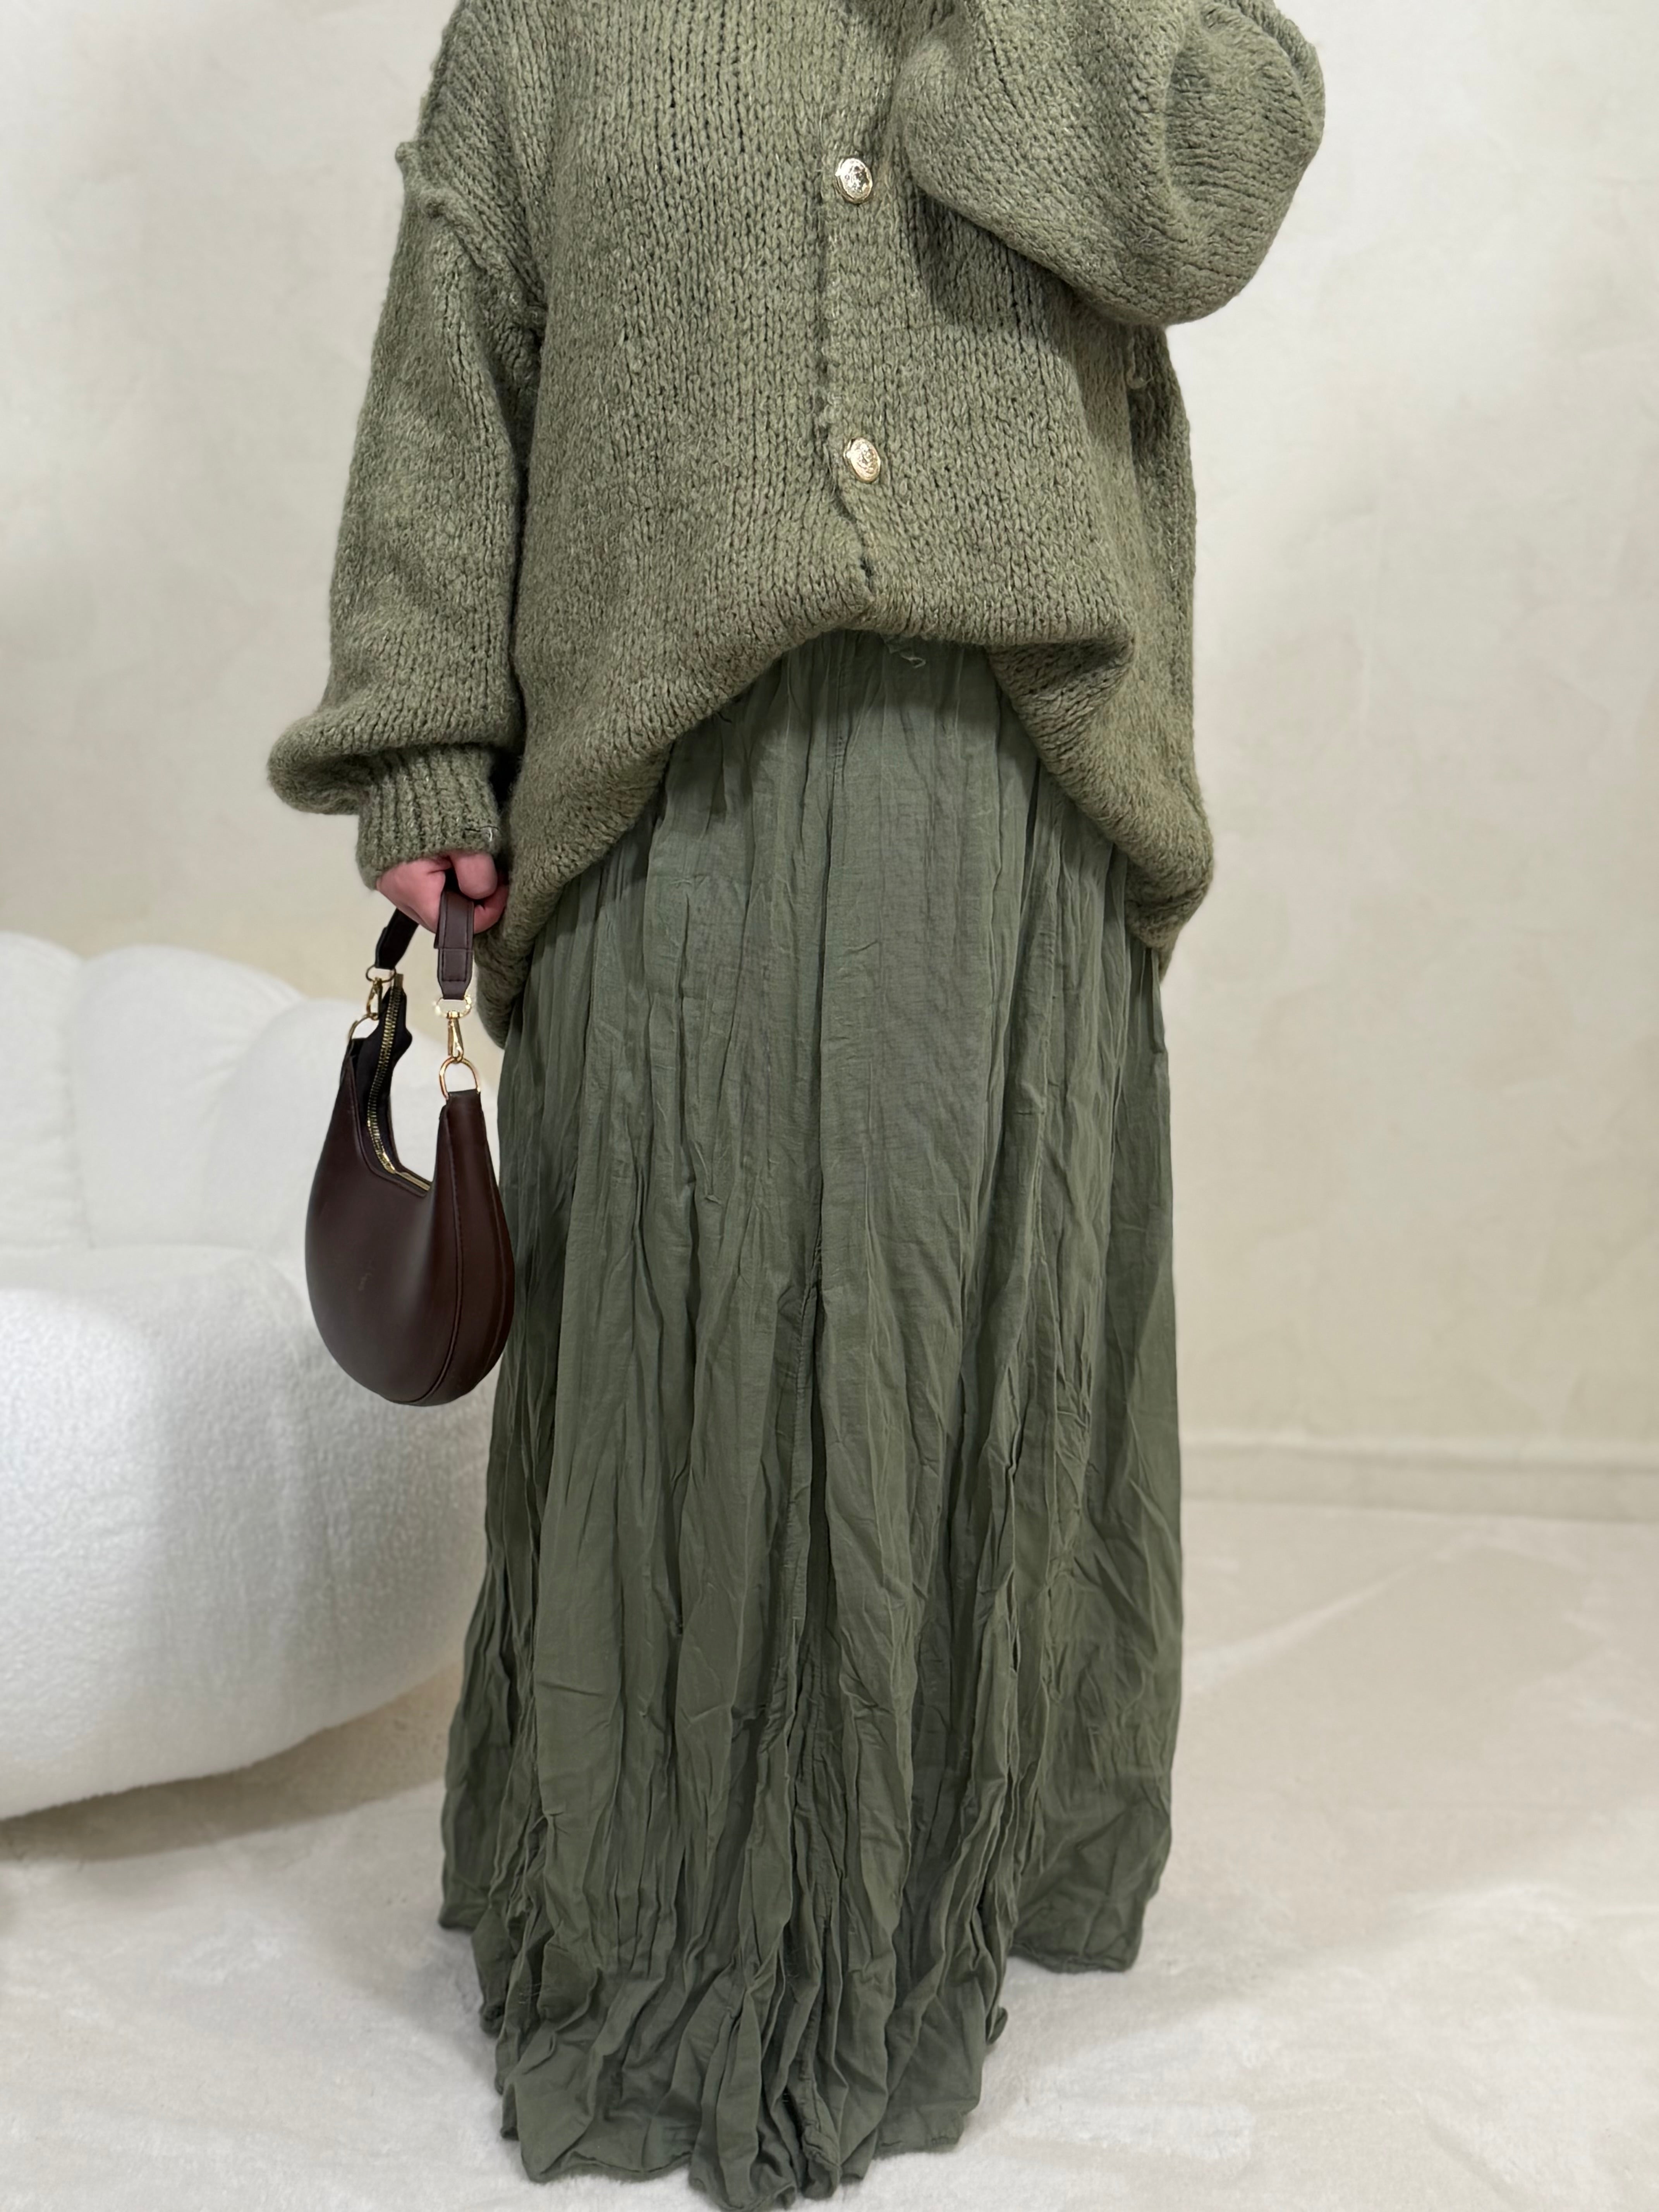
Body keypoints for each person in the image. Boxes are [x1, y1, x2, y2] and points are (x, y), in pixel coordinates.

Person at [267, 3, 1324, 2204]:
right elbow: (459, 363)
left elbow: (1204, 191)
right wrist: (424, 745)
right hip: (666, 803)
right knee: (685, 1338)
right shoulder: (547, 26)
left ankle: (934, 1881)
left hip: (1000, 788)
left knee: (951, 1337)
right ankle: (651, 1920)